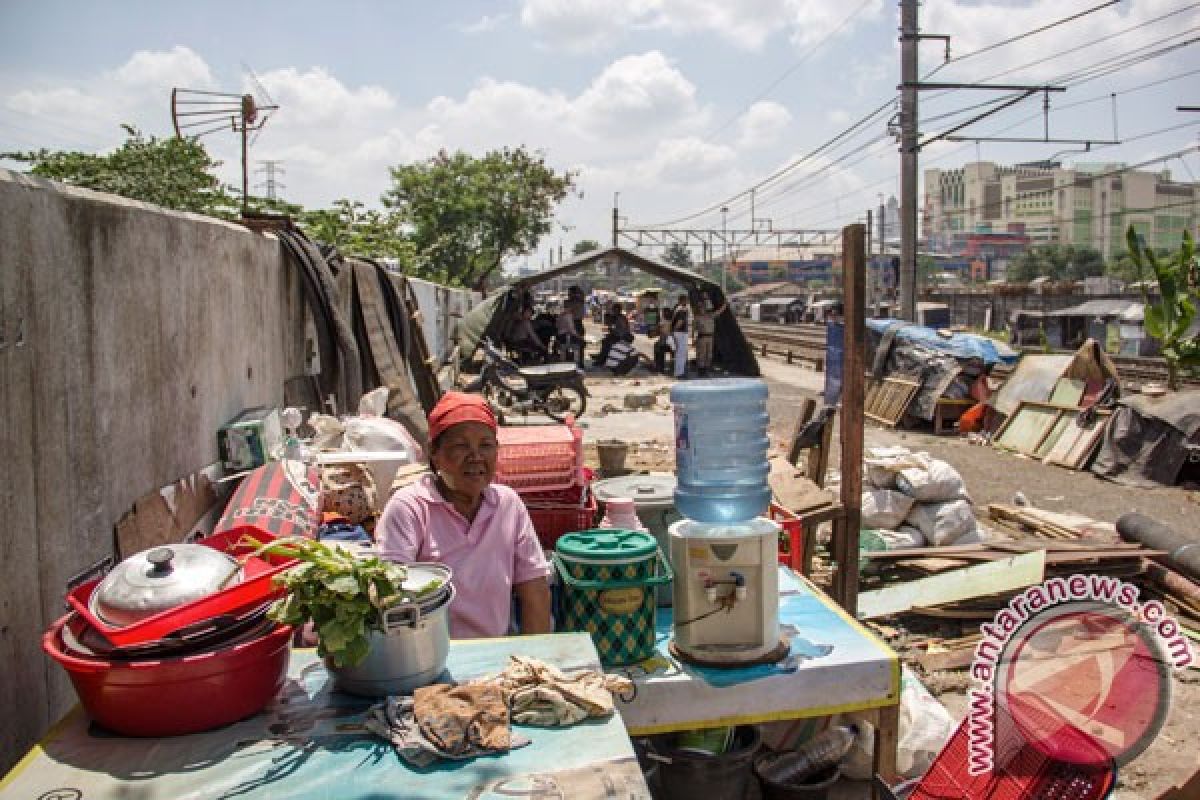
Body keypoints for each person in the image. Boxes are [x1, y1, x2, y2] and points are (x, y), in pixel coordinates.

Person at [377, 392, 552, 639]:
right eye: (461, 446)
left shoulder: (508, 504)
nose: (476, 457)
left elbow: (535, 590)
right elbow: (392, 595)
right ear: (434, 453)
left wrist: (535, 661)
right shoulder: (409, 507)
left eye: (486, 445)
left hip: (495, 651)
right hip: (430, 656)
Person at [693, 289, 727, 377]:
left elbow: (720, 311)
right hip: (702, 337)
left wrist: (725, 304)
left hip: (710, 337)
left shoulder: (710, 315)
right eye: (700, 307)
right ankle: (701, 371)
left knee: (709, 354)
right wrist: (693, 339)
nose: (702, 309)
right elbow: (694, 329)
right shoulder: (697, 318)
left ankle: (706, 370)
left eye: (703, 307)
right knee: (701, 355)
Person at [668, 293, 690, 379]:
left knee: (680, 353)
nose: (687, 302)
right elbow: (680, 322)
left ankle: (679, 372)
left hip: (678, 332)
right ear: (684, 300)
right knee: (681, 354)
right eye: (686, 300)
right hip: (680, 333)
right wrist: (674, 331)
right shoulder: (683, 310)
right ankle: (679, 373)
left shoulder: (677, 308)